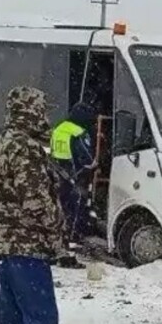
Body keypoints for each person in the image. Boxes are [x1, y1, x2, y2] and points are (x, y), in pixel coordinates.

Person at [0, 85, 79, 324]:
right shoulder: (26, 150)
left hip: (4, 248)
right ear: (31, 112)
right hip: (28, 246)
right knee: (41, 316)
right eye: (41, 109)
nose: (45, 115)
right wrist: (58, 239)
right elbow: (36, 201)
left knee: (11, 316)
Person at [49, 100, 98, 259]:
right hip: (75, 175)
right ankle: (72, 239)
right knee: (75, 207)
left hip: (58, 174)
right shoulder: (78, 131)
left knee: (60, 207)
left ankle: (58, 238)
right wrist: (94, 163)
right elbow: (86, 155)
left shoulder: (59, 127)